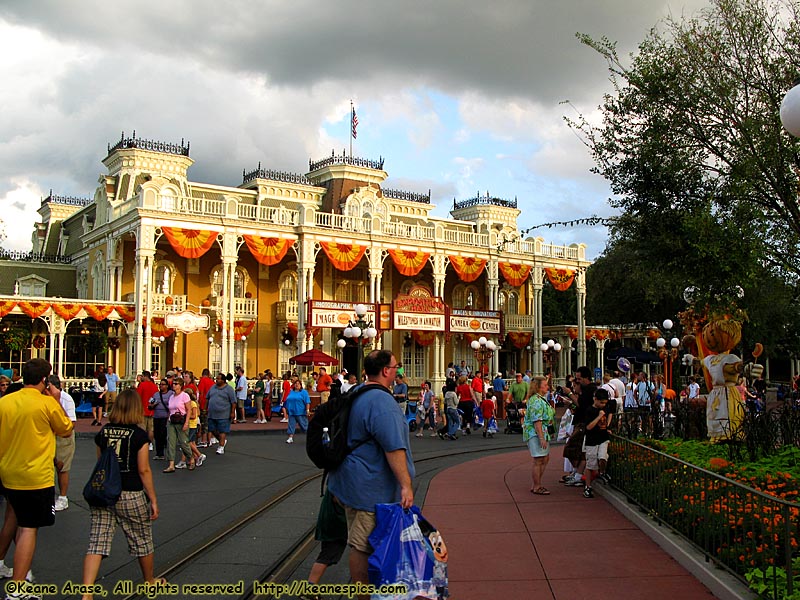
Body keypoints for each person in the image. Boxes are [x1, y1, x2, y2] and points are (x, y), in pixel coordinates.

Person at [327, 350, 414, 599]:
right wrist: (405, 485)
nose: (397, 370)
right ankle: (363, 594)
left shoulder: (355, 392)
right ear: (386, 371)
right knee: (362, 544)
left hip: (350, 479)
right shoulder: (382, 402)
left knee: (360, 537)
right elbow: (393, 447)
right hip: (370, 486)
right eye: (396, 367)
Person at [0, 358, 73, 597]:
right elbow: (66, 428)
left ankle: (7, 564)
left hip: (9, 472)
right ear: (44, 380)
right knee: (29, 528)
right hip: (35, 475)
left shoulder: (5, 401)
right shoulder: (45, 403)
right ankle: (18, 586)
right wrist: (54, 399)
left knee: (13, 516)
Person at [80, 388, 159, 599]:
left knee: (97, 542)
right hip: (130, 492)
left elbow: (101, 463)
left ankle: (86, 593)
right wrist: (152, 499)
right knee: (142, 539)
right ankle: (149, 581)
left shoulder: (104, 432)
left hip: (105, 492)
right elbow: (143, 469)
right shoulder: (139, 435)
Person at [523, 376, 556, 494]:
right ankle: (537, 486)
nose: (547, 387)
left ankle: (536, 484)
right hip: (536, 433)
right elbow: (537, 421)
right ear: (538, 387)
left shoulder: (540, 398)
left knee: (544, 458)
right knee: (539, 459)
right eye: (545, 385)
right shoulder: (536, 400)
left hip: (542, 431)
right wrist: (541, 437)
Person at [51, 375, 76, 512]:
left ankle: (63, 497)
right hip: (48, 435)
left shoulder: (66, 399)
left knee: (62, 467)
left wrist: (56, 401)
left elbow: (71, 423)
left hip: (62, 437)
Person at [582, 388, 611, 498]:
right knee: (591, 464)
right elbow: (588, 427)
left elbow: (610, 413)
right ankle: (588, 487)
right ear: (595, 400)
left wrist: (607, 426)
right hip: (592, 441)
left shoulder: (606, 409)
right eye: (601, 402)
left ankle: (602, 472)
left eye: (605, 403)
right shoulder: (590, 410)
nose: (603, 405)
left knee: (603, 457)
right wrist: (599, 416)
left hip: (603, 438)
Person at [162, 378, 194, 473]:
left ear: (181, 385)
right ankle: (171, 464)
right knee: (171, 442)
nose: (174, 385)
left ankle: (191, 457)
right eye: (173, 384)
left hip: (181, 421)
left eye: (176, 384)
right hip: (171, 421)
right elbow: (170, 410)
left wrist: (186, 422)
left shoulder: (184, 396)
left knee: (183, 442)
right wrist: (167, 420)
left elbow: (189, 410)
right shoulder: (171, 397)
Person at [207, 373, 237, 455]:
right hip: (212, 413)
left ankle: (221, 446)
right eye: (216, 379)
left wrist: (232, 412)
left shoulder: (229, 389)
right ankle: (222, 440)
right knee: (212, 429)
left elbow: (233, 402)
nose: (217, 380)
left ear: (223, 380)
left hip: (224, 413)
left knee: (222, 430)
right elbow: (208, 397)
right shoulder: (213, 387)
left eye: (219, 379)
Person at [149, 379, 172, 460]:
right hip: (156, 416)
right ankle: (159, 453)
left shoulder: (170, 394)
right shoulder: (156, 394)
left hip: (165, 416)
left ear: (167, 386)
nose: (161, 386)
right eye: (160, 384)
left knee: (164, 434)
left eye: (163, 384)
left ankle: (167, 452)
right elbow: (150, 405)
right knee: (157, 435)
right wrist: (153, 405)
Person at [284, 379, 311, 444]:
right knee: (291, 425)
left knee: (304, 426)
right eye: (296, 384)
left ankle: (311, 437)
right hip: (292, 411)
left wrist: (307, 410)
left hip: (300, 412)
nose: (297, 385)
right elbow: (288, 400)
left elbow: (307, 402)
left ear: (301, 385)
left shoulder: (304, 392)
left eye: (298, 384)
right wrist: (287, 409)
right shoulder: (291, 392)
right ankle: (290, 437)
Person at [137, 371, 158, 447]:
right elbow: (156, 398)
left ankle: (143, 443)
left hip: (142, 410)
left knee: (142, 428)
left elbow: (138, 397)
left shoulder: (142, 385)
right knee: (151, 429)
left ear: (145, 376)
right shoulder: (154, 386)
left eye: (142, 376)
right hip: (152, 410)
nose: (141, 378)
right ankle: (150, 444)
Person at [196, 368, 214, 446]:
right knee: (209, 422)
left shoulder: (203, 381)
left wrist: (199, 403)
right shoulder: (212, 382)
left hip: (204, 404)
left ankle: (204, 440)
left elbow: (200, 393)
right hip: (211, 404)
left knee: (203, 423)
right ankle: (210, 439)